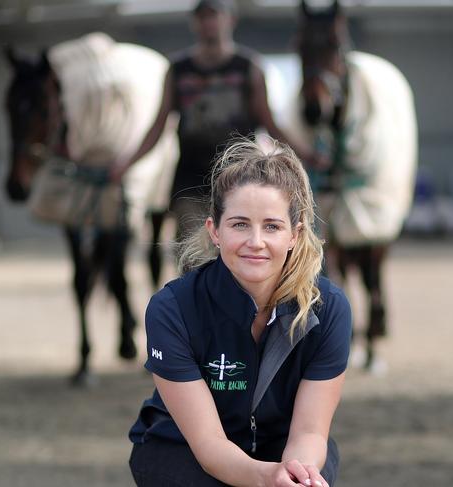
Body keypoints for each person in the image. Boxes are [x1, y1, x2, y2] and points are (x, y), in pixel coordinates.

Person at [127, 137, 352, 487]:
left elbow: (309, 431)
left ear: (295, 235)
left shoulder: (329, 308)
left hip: (283, 446)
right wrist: (267, 478)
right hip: (185, 449)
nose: (256, 241)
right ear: (214, 230)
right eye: (240, 224)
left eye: (272, 226)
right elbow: (208, 444)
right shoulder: (172, 309)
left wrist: (294, 474)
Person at [111, 0, 319, 246]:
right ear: (195, 24)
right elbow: (158, 127)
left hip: (241, 180)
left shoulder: (248, 68)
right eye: (203, 18)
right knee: (194, 256)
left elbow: (270, 123)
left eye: (215, 16)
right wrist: (126, 163)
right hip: (191, 182)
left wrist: (307, 156)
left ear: (230, 20)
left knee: (239, 251)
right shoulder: (179, 71)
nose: (209, 23)